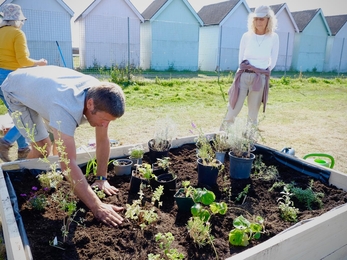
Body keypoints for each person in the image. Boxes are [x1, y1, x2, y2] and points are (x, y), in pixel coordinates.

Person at [1, 65, 125, 227]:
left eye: (109, 121)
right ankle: (26, 183)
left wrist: (101, 179)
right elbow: (67, 163)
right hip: (16, 89)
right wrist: (98, 207)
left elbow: (103, 140)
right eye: (104, 119)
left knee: (55, 144)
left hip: (45, 89)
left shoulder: (99, 94)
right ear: (90, 104)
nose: (105, 124)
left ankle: (41, 177)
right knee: (43, 147)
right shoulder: (65, 109)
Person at [0, 3, 47, 162]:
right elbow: (22, 61)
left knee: (16, 114)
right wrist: (39, 63)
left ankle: (23, 149)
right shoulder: (17, 34)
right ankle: (5, 142)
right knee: (26, 115)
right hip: (12, 78)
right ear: (18, 20)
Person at [220, 5, 279, 130]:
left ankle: (249, 144)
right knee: (232, 109)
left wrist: (262, 72)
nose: (258, 22)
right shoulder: (247, 36)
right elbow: (241, 59)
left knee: (253, 115)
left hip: (259, 78)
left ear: (268, 20)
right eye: (256, 19)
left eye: (262, 19)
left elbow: (272, 61)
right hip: (243, 76)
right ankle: (221, 138)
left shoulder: (274, 38)